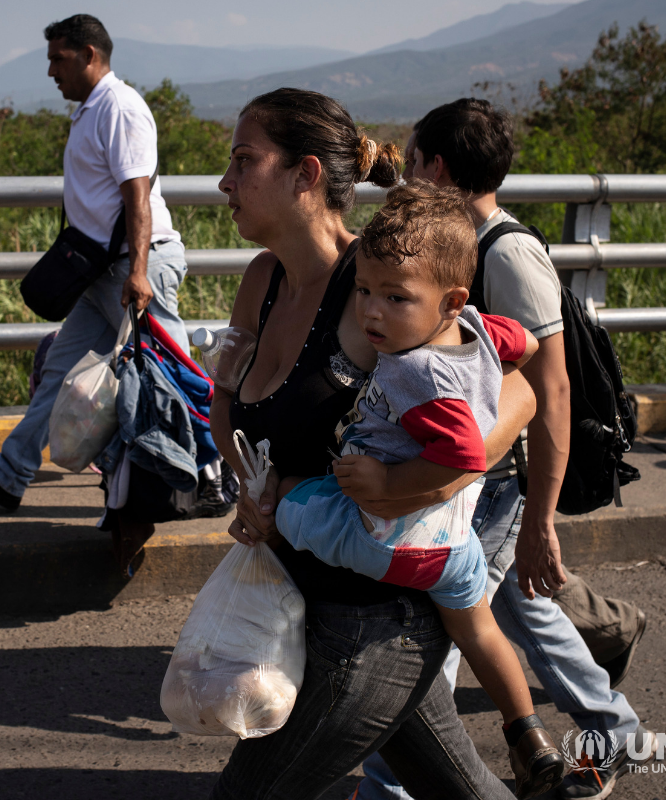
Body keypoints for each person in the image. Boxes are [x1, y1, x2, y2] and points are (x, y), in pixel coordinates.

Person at [208, 87, 538, 800]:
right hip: (306, 598)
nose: (225, 182)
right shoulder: (261, 281)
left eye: (243, 160)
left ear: (306, 176)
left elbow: (517, 392)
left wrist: (428, 481)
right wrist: (251, 488)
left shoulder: (382, 284)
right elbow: (231, 409)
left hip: (374, 624)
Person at [355, 99, 654, 800]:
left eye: (415, 159)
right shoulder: (454, 236)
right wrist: (377, 170)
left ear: (438, 167)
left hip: (491, 481)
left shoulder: (506, 252)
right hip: (462, 475)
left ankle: (389, 789)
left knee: (429, 641)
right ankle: (615, 730)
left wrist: (540, 521)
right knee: (519, 609)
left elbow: (551, 393)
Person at [275, 182, 568, 798]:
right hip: (456, 543)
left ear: (450, 298)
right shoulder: (476, 327)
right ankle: (528, 732)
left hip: (394, 537)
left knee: (292, 506)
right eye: (363, 292)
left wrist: (388, 481)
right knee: (481, 631)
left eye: (395, 297)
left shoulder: (415, 371)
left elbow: (462, 452)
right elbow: (529, 342)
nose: (372, 313)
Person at [0, 13, 188, 508]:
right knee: (58, 370)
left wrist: (139, 272)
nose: (52, 71)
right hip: (104, 272)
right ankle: (10, 475)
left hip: (132, 269)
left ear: (89, 55)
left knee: (169, 376)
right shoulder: (91, 108)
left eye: (59, 58)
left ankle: (204, 476)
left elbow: (137, 196)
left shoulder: (119, 107)